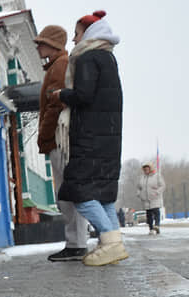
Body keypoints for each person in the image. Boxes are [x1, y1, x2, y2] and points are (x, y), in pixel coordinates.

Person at [50, 10, 125, 266]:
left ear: (89, 33)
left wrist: (62, 94)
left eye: (77, 34)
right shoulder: (108, 57)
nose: (73, 39)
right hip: (108, 137)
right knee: (102, 195)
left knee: (79, 193)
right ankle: (113, 244)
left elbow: (83, 95)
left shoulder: (88, 57)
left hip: (90, 136)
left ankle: (110, 242)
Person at [35, 24, 89, 262]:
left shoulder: (59, 65)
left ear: (53, 44)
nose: (38, 47)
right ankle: (76, 242)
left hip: (59, 137)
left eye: (42, 43)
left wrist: (44, 135)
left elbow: (54, 105)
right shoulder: (57, 64)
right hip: (60, 137)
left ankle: (76, 244)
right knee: (67, 192)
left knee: (67, 193)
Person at [137, 162, 165, 234]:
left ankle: (157, 226)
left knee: (156, 211)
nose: (146, 170)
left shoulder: (157, 176)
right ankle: (151, 228)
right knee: (149, 214)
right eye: (144, 169)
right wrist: (139, 194)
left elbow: (162, 186)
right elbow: (139, 187)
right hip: (145, 199)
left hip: (155, 198)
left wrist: (157, 192)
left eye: (147, 168)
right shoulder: (142, 177)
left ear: (150, 168)